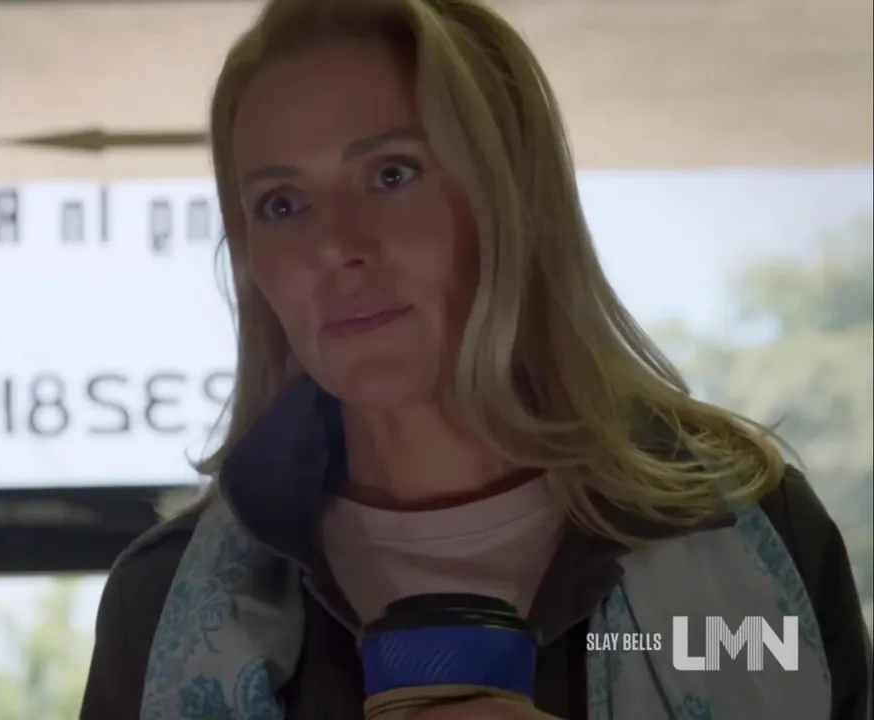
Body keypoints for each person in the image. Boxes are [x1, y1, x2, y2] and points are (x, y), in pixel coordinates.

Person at [79, 0, 872, 718]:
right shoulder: (162, 602)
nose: (333, 246)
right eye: (281, 204)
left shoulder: (757, 534)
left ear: (513, 195)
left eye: (392, 174)